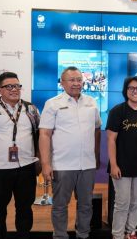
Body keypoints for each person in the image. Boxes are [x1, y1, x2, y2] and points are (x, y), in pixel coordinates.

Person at [0, 72, 40, 239]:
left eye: (17, 86)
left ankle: (23, 235)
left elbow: (41, 135)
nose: (14, 89)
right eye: (9, 86)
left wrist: (40, 160)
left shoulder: (31, 109)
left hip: (26, 168)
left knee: (25, 208)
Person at [39, 66, 101, 239]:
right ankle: (60, 235)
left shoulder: (91, 102)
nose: (76, 83)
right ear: (62, 82)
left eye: (79, 80)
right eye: (72, 80)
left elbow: (97, 129)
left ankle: (83, 234)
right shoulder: (52, 104)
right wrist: (45, 164)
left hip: (87, 164)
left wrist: (96, 154)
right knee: (60, 205)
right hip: (62, 164)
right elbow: (44, 134)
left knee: (86, 205)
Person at [106, 76, 137, 239]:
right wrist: (113, 165)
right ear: (126, 91)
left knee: (135, 202)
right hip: (121, 165)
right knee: (122, 203)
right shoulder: (117, 111)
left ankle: (131, 231)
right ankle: (118, 234)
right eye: (131, 88)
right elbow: (111, 140)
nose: (135, 91)